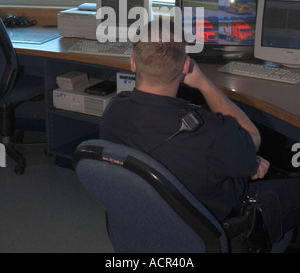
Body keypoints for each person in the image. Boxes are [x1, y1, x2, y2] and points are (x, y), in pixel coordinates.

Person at [99, 18, 300, 252]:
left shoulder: (112, 111)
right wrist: (204, 83)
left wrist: (241, 159)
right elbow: (252, 137)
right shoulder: (208, 131)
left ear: (133, 63)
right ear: (186, 67)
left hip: (142, 228)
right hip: (213, 231)